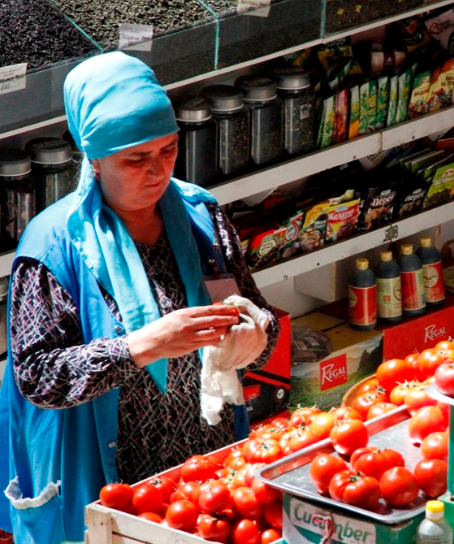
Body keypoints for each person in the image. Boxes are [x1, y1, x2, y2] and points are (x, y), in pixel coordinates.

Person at [0, 52, 279, 544]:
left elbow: (254, 312)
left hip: (202, 476)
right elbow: (38, 377)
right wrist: (140, 346)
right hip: (110, 483)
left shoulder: (200, 218)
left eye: (168, 151)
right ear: (95, 156)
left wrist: (255, 334)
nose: (158, 171)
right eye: (136, 158)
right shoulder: (54, 248)